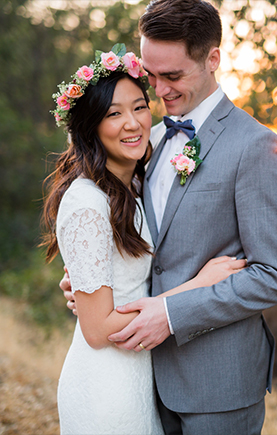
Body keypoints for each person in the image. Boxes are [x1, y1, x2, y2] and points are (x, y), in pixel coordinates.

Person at [61, 0, 277, 431]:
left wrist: (173, 313)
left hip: (217, 386)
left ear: (213, 59)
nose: (159, 89)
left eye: (172, 76)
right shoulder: (143, 141)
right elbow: (126, 232)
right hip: (142, 378)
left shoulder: (255, 146)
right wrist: (89, 274)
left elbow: (275, 273)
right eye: (150, 75)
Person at [42, 45, 247, 434]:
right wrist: (198, 286)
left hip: (140, 376)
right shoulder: (87, 202)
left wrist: (85, 288)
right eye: (113, 114)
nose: (133, 123)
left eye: (139, 106)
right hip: (107, 386)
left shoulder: (132, 184)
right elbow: (99, 330)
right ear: (91, 128)